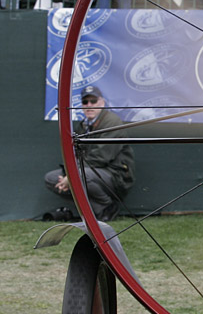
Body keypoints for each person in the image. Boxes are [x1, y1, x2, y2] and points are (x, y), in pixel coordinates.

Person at [44, 86, 135, 222]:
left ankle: (108, 206)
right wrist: (67, 174)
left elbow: (100, 157)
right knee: (51, 179)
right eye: (85, 102)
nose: (89, 105)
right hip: (90, 172)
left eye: (93, 101)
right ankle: (98, 211)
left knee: (79, 176)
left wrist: (71, 176)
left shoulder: (112, 122)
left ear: (102, 102)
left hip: (116, 176)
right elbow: (76, 155)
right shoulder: (83, 125)